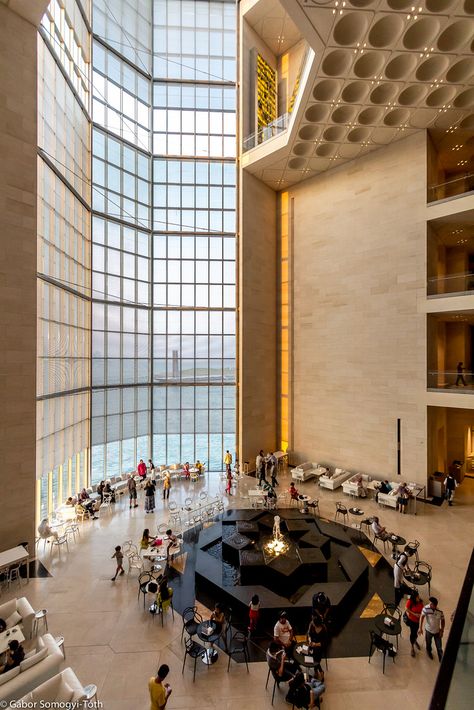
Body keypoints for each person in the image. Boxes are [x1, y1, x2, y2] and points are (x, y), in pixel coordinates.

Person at [420, 596, 445, 661]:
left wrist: (442, 630)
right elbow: (422, 617)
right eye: (430, 603)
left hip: (437, 631)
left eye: (431, 604)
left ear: (435, 605)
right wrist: (420, 628)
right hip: (428, 631)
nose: (429, 604)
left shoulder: (439, 612)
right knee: (428, 644)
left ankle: (441, 659)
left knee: (439, 647)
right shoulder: (426, 608)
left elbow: (443, 620)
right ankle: (429, 652)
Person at [405, 589, 423, 657]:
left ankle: (415, 640)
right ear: (414, 597)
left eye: (418, 596)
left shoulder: (420, 602)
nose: (418, 598)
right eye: (417, 597)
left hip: (418, 621)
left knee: (416, 633)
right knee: (413, 633)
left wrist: (421, 615)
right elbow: (406, 608)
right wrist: (414, 614)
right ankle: (412, 647)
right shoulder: (410, 601)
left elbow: (423, 610)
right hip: (412, 621)